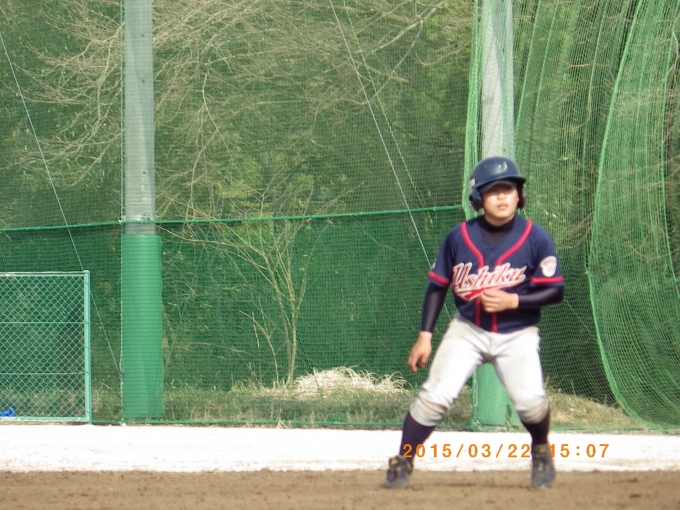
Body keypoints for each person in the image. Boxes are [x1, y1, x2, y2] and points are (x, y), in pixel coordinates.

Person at [385, 156, 564, 489]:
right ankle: (404, 459)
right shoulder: (459, 237)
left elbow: (555, 291)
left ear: (520, 195)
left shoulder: (536, 237)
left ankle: (540, 449)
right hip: (468, 329)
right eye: (492, 190)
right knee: (434, 397)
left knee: (530, 402)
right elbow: (437, 287)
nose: (502, 196)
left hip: (517, 332)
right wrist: (425, 336)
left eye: (509, 188)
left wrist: (514, 301)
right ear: (477, 198)